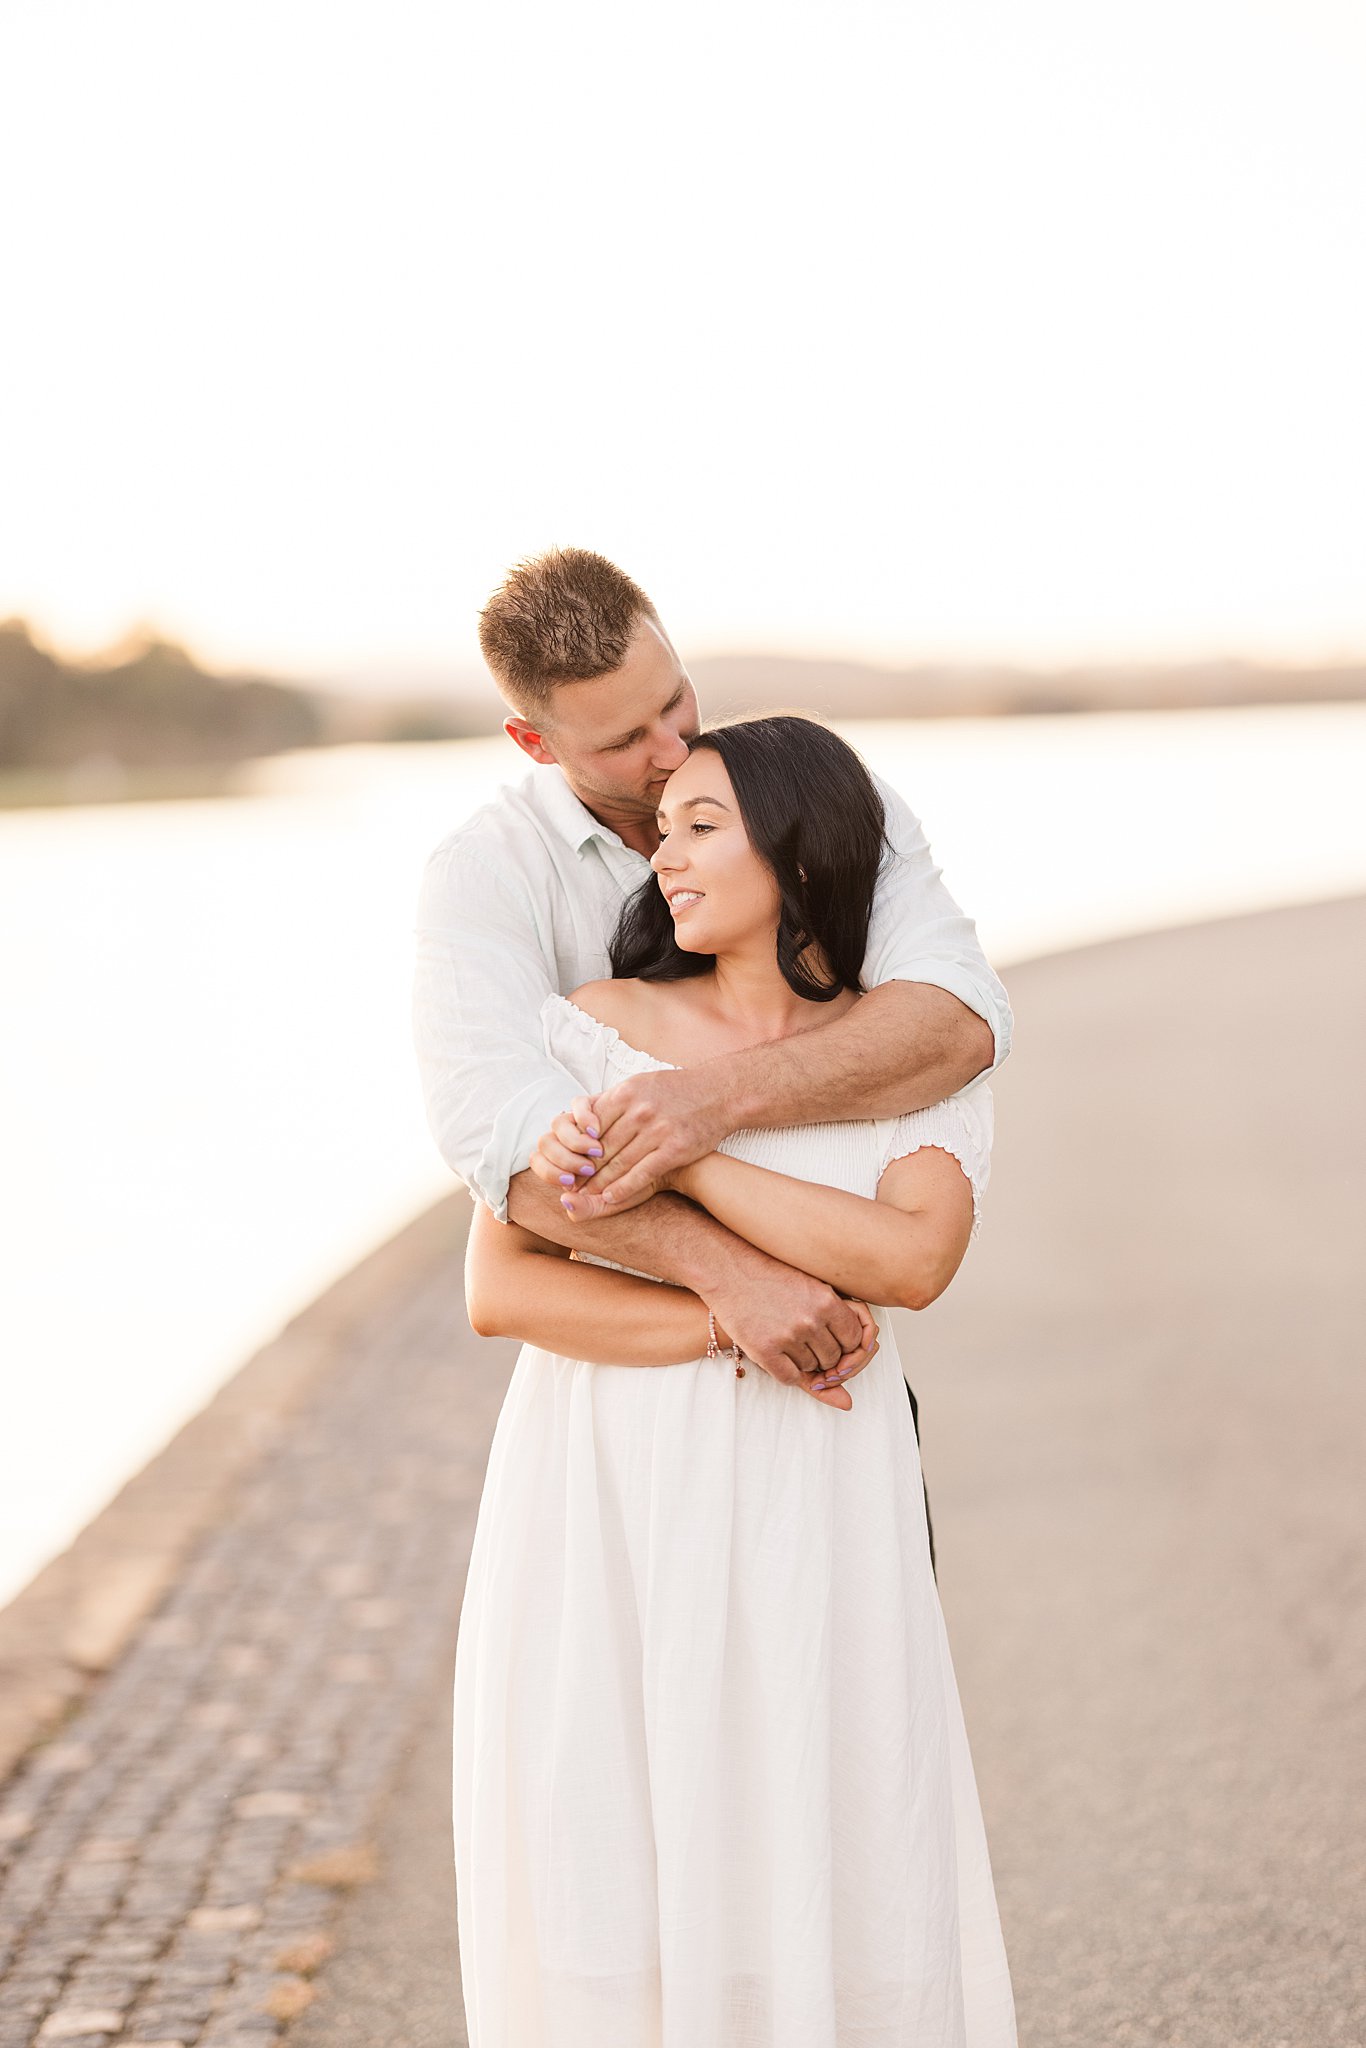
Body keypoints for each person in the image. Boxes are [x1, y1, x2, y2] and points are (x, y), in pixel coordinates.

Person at [448, 713, 1017, 2044]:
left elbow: (909, 1257)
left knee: (827, 1816)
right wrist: (729, 1309)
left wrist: (685, 1135)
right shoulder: (590, 1027)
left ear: (798, 843)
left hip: (816, 1488)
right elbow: (505, 1286)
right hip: (609, 1490)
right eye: (659, 833)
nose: (664, 860)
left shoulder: (897, 1049)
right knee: (620, 1840)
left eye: (702, 824)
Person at [411, 547, 1012, 1447]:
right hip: (633, 1403)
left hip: (841, 1402)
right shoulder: (486, 876)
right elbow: (505, 1155)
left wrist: (699, 1110)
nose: (671, 749)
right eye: (622, 741)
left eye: (673, 701)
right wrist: (730, 1281)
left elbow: (954, 1022)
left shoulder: (821, 803)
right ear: (536, 744)